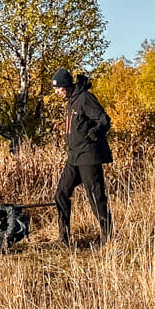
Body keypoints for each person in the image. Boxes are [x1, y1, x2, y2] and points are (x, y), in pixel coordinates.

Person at [53, 68, 113, 245]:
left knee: (95, 197)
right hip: (74, 156)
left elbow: (104, 119)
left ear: (65, 86)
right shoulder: (71, 101)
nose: (56, 92)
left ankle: (107, 237)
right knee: (61, 194)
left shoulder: (85, 98)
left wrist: (96, 131)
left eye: (58, 88)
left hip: (89, 156)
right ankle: (63, 239)